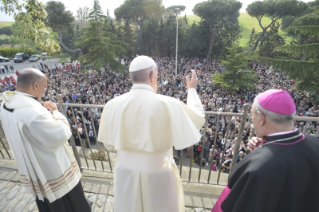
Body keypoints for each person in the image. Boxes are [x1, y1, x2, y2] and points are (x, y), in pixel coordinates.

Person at [98, 56, 205, 212]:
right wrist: (192, 90)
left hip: (124, 172)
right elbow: (197, 118)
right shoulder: (167, 103)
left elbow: (108, 144)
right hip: (158, 173)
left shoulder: (112, 105)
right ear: (152, 76)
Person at [212, 89, 319, 212]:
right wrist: (263, 147)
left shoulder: (256, 166)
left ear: (262, 118)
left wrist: (261, 154)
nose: (252, 120)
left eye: (252, 115)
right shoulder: (315, 143)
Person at [0, 68, 90, 212]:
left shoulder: (6, 104)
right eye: (44, 86)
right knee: (70, 204)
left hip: (32, 166)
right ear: (35, 85)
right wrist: (55, 112)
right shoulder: (34, 113)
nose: (46, 89)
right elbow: (61, 134)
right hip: (52, 169)